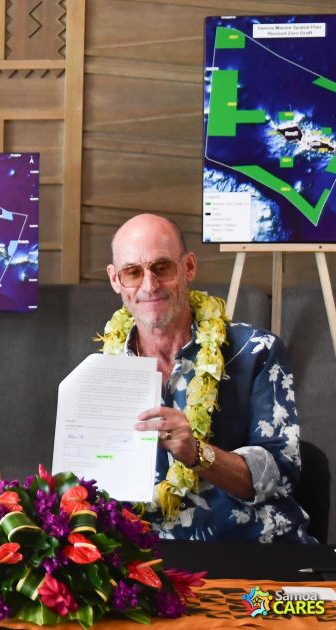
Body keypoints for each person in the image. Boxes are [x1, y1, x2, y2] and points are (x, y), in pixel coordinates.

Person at [99, 213, 314, 542]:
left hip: (251, 546)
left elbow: (282, 473)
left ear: (188, 267)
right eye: (132, 272)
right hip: (148, 555)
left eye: (162, 267)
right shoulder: (101, 372)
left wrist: (199, 454)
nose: (149, 285)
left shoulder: (256, 350)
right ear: (116, 280)